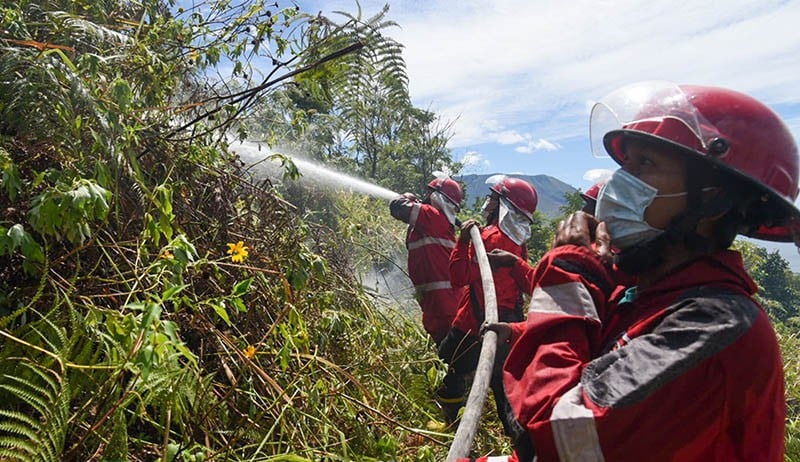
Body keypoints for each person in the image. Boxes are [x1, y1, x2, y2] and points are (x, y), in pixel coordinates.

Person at [480, 81, 799, 461]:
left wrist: (569, 270)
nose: (618, 182)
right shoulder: (653, 294)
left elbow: (552, 436)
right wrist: (519, 331)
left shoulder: (714, 326)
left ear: (712, 199)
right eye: (625, 164)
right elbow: (607, 339)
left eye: (645, 164)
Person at [436, 175, 538, 427]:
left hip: (473, 323)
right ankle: (519, 438)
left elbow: (459, 276)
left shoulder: (490, 237)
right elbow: (527, 285)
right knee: (505, 388)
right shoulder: (519, 241)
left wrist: (463, 241)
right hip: (509, 325)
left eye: (493, 198)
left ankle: (451, 424)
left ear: (503, 206)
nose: (488, 201)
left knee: (446, 365)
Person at [389, 176, 466, 346]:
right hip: (441, 303)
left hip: (443, 304)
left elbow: (397, 206)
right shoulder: (437, 221)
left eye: (429, 193)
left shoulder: (432, 216)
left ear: (437, 196)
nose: (426, 196)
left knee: (451, 354)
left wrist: (407, 197)